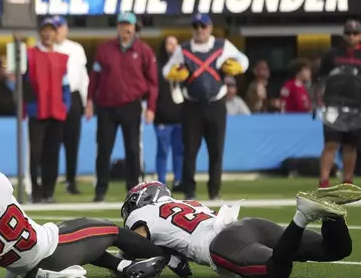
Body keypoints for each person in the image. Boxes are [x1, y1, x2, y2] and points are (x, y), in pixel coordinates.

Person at [0, 166, 167, 278]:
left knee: (79, 239)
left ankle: (122, 265)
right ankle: (167, 257)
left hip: (24, 267)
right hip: (51, 249)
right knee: (109, 229)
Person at [120, 181, 355, 278]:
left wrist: (121, 260)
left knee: (277, 270)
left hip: (223, 243)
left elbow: (136, 243)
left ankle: (302, 215)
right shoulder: (189, 203)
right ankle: (332, 216)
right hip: (248, 225)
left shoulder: (141, 215)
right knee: (334, 248)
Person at [163, 13, 249, 200]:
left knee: (216, 149)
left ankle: (214, 191)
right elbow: (166, 70)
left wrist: (237, 68)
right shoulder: (183, 49)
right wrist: (175, 73)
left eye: (203, 26)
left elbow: (244, 60)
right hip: (192, 105)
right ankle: (189, 192)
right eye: (196, 26)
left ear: (209, 28)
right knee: (190, 150)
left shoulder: (222, 45)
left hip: (216, 103)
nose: (200, 30)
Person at [87, 12, 158, 202]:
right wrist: (89, 101)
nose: (125, 29)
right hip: (106, 106)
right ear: (117, 27)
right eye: (122, 25)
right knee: (103, 149)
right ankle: (100, 190)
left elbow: (153, 82)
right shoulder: (104, 49)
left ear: (135, 27)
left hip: (131, 105)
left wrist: (151, 107)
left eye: (129, 25)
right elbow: (95, 78)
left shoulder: (143, 50)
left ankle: (133, 191)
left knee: (133, 149)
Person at [24, 17, 70, 203]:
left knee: (52, 153)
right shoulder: (29, 54)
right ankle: (36, 191)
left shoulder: (62, 57)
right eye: (45, 30)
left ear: (56, 33)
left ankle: (49, 192)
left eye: (51, 30)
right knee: (36, 154)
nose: (48, 34)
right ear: (40, 33)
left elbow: (66, 86)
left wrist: (65, 107)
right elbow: (21, 82)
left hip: (56, 113)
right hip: (37, 112)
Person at [317, 20, 361, 188]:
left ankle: (347, 181)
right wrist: (319, 101)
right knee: (331, 143)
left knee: (350, 145)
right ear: (343, 34)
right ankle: (324, 181)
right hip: (333, 104)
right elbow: (320, 78)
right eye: (348, 33)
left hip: (356, 106)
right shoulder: (331, 55)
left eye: (355, 33)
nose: (351, 36)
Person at [53, 16, 88, 195]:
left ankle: (71, 181)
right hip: (54, 96)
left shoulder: (76, 48)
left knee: (72, 142)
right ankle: (49, 181)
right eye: (55, 28)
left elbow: (83, 77)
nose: (58, 31)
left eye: (60, 27)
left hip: (73, 96)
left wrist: (86, 101)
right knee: (52, 142)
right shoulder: (46, 48)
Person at [154, 35, 183, 190]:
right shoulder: (158, 66)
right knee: (163, 151)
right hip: (163, 117)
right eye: (168, 44)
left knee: (179, 152)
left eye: (174, 43)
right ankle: (161, 183)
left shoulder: (184, 65)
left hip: (180, 116)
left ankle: (178, 180)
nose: (171, 47)